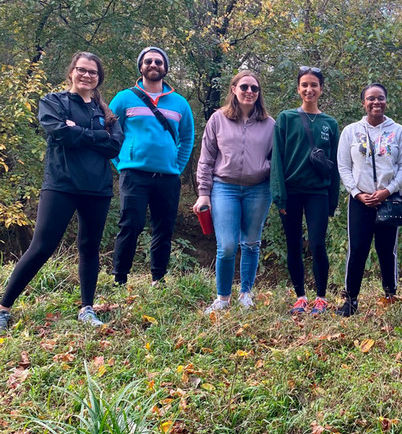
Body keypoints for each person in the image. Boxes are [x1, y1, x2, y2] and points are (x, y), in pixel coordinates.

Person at [0, 52, 124, 332]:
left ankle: (87, 308)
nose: (87, 76)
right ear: (71, 72)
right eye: (82, 70)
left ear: (98, 78)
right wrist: (96, 136)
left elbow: (115, 146)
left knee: (89, 248)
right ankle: (3, 308)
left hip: (97, 189)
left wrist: (80, 132)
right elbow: (59, 133)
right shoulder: (53, 102)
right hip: (61, 185)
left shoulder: (107, 113)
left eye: (93, 72)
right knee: (41, 246)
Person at [109, 46, 194, 286]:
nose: (153, 65)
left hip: (168, 176)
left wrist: (176, 165)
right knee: (130, 225)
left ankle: (158, 277)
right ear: (141, 67)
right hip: (134, 174)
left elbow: (187, 138)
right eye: (148, 61)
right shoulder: (124, 98)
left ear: (165, 68)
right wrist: (122, 163)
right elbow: (112, 132)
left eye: (158, 61)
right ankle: (120, 279)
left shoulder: (179, 103)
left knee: (164, 227)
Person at [193, 71, 275, 314]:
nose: (249, 92)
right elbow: (206, 160)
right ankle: (223, 298)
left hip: (258, 188)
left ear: (259, 93)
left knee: (251, 243)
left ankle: (245, 294)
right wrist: (203, 193)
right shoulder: (218, 119)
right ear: (234, 89)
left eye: (254, 88)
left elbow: (278, 161)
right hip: (224, 187)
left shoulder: (270, 124)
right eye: (244, 87)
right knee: (227, 245)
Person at [336, 83, 402, 316]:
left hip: (389, 200)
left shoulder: (398, 131)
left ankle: (390, 295)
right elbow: (343, 166)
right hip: (360, 201)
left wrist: (388, 190)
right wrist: (357, 193)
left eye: (380, 98)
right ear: (363, 103)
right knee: (357, 249)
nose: (376, 102)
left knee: (387, 250)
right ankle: (350, 300)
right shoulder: (350, 131)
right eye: (371, 99)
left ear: (386, 101)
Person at [271, 66, 340, 315]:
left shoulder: (330, 123)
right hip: (290, 192)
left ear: (321, 89)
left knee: (318, 244)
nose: (309, 89)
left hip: (317, 194)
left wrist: (333, 199)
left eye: (314, 85)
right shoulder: (286, 118)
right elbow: (276, 159)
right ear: (298, 88)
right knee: (293, 244)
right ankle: (300, 296)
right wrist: (278, 195)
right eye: (305, 85)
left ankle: (321, 298)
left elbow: (334, 166)